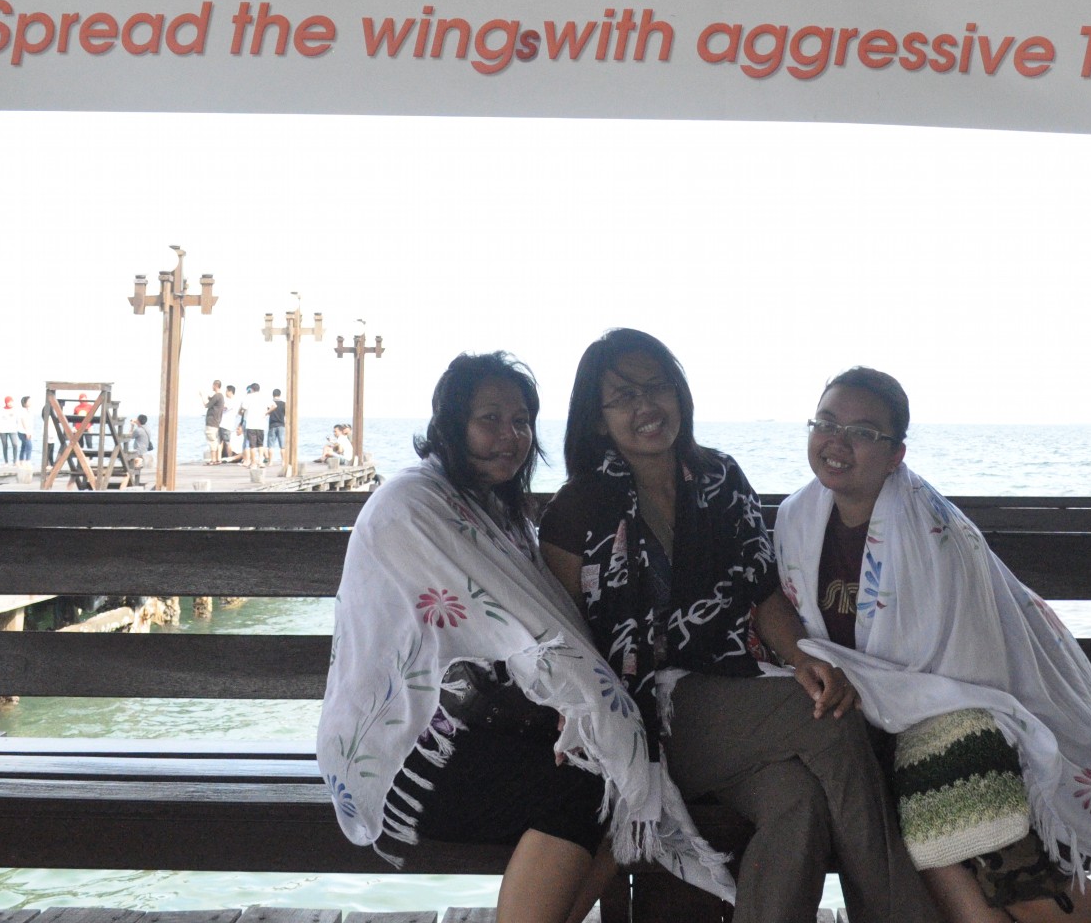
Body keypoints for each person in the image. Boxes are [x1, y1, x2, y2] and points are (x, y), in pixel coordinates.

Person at [317, 352, 733, 923]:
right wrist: (583, 704)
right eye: (489, 419)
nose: (510, 436)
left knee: (621, 769)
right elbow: (521, 627)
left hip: (476, 724)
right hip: (408, 750)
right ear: (451, 424)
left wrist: (581, 708)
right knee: (592, 783)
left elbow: (537, 629)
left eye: (521, 421)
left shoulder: (494, 510)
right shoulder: (412, 506)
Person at [538, 329, 938, 923]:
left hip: (734, 697)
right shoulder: (576, 511)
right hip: (640, 719)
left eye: (658, 386)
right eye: (624, 396)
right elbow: (559, 638)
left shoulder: (719, 478)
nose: (647, 405)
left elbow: (763, 593)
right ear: (598, 418)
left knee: (798, 803)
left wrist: (803, 659)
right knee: (826, 723)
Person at [776, 369, 1091, 923]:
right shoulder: (797, 518)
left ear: (895, 454)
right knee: (929, 828)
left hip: (970, 709)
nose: (837, 441)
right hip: (876, 721)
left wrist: (878, 700)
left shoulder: (933, 533)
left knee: (966, 827)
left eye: (862, 432)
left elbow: (969, 666)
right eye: (826, 423)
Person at [240, 382, 268, 467]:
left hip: (251, 424)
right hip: (261, 424)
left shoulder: (248, 397)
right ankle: (261, 461)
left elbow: (243, 408)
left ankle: (253, 463)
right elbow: (273, 406)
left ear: (251, 389)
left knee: (252, 445)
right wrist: (266, 413)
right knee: (260, 444)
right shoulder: (264, 397)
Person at [202, 380, 226, 464]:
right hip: (216, 421)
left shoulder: (217, 396)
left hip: (212, 421)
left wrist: (202, 396)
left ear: (216, 385)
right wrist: (209, 398)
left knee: (211, 440)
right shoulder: (220, 396)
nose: (212, 387)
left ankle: (213, 460)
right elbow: (213, 401)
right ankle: (217, 458)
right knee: (216, 440)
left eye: (213, 385)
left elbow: (207, 405)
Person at [126, 413, 153, 482]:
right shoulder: (147, 429)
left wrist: (132, 426)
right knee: (137, 465)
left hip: (138, 451)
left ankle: (130, 479)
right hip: (144, 450)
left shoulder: (138, 430)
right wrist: (137, 423)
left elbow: (129, 436)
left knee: (127, 461)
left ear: (138, 421)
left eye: (137, 419)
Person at [266, 389, 287, 468]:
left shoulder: (270, 403)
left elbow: (268, 413)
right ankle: (283, 462)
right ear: (280, 395)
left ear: (273, 394)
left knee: (271, 445)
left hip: (272, 425)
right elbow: (286, 414)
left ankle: (271, 462)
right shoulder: (284, 404)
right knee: (282, 446)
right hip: (281, 425)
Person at [0, 395, 19, 464]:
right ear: (6, 402)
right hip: (3, 430)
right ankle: (6, 462)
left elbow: (18, 420)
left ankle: (15, 461)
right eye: (9, 402)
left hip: (12, 430)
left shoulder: (15, 410)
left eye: (11, 402)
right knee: (5, 445)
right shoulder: (2, 410)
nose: (10, 403)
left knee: (15, 444)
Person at [15, 395, 34, 463]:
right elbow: (23, 422)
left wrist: (30, 432)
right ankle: (27, 461)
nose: (30, 402)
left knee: (24, 446)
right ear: (25, 403)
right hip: (23, 432)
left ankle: (21, 461)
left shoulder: (29, 411)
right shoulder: (22, 411)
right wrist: (27, 432)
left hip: (27, 431)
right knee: (29, 446)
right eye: (29, 401)